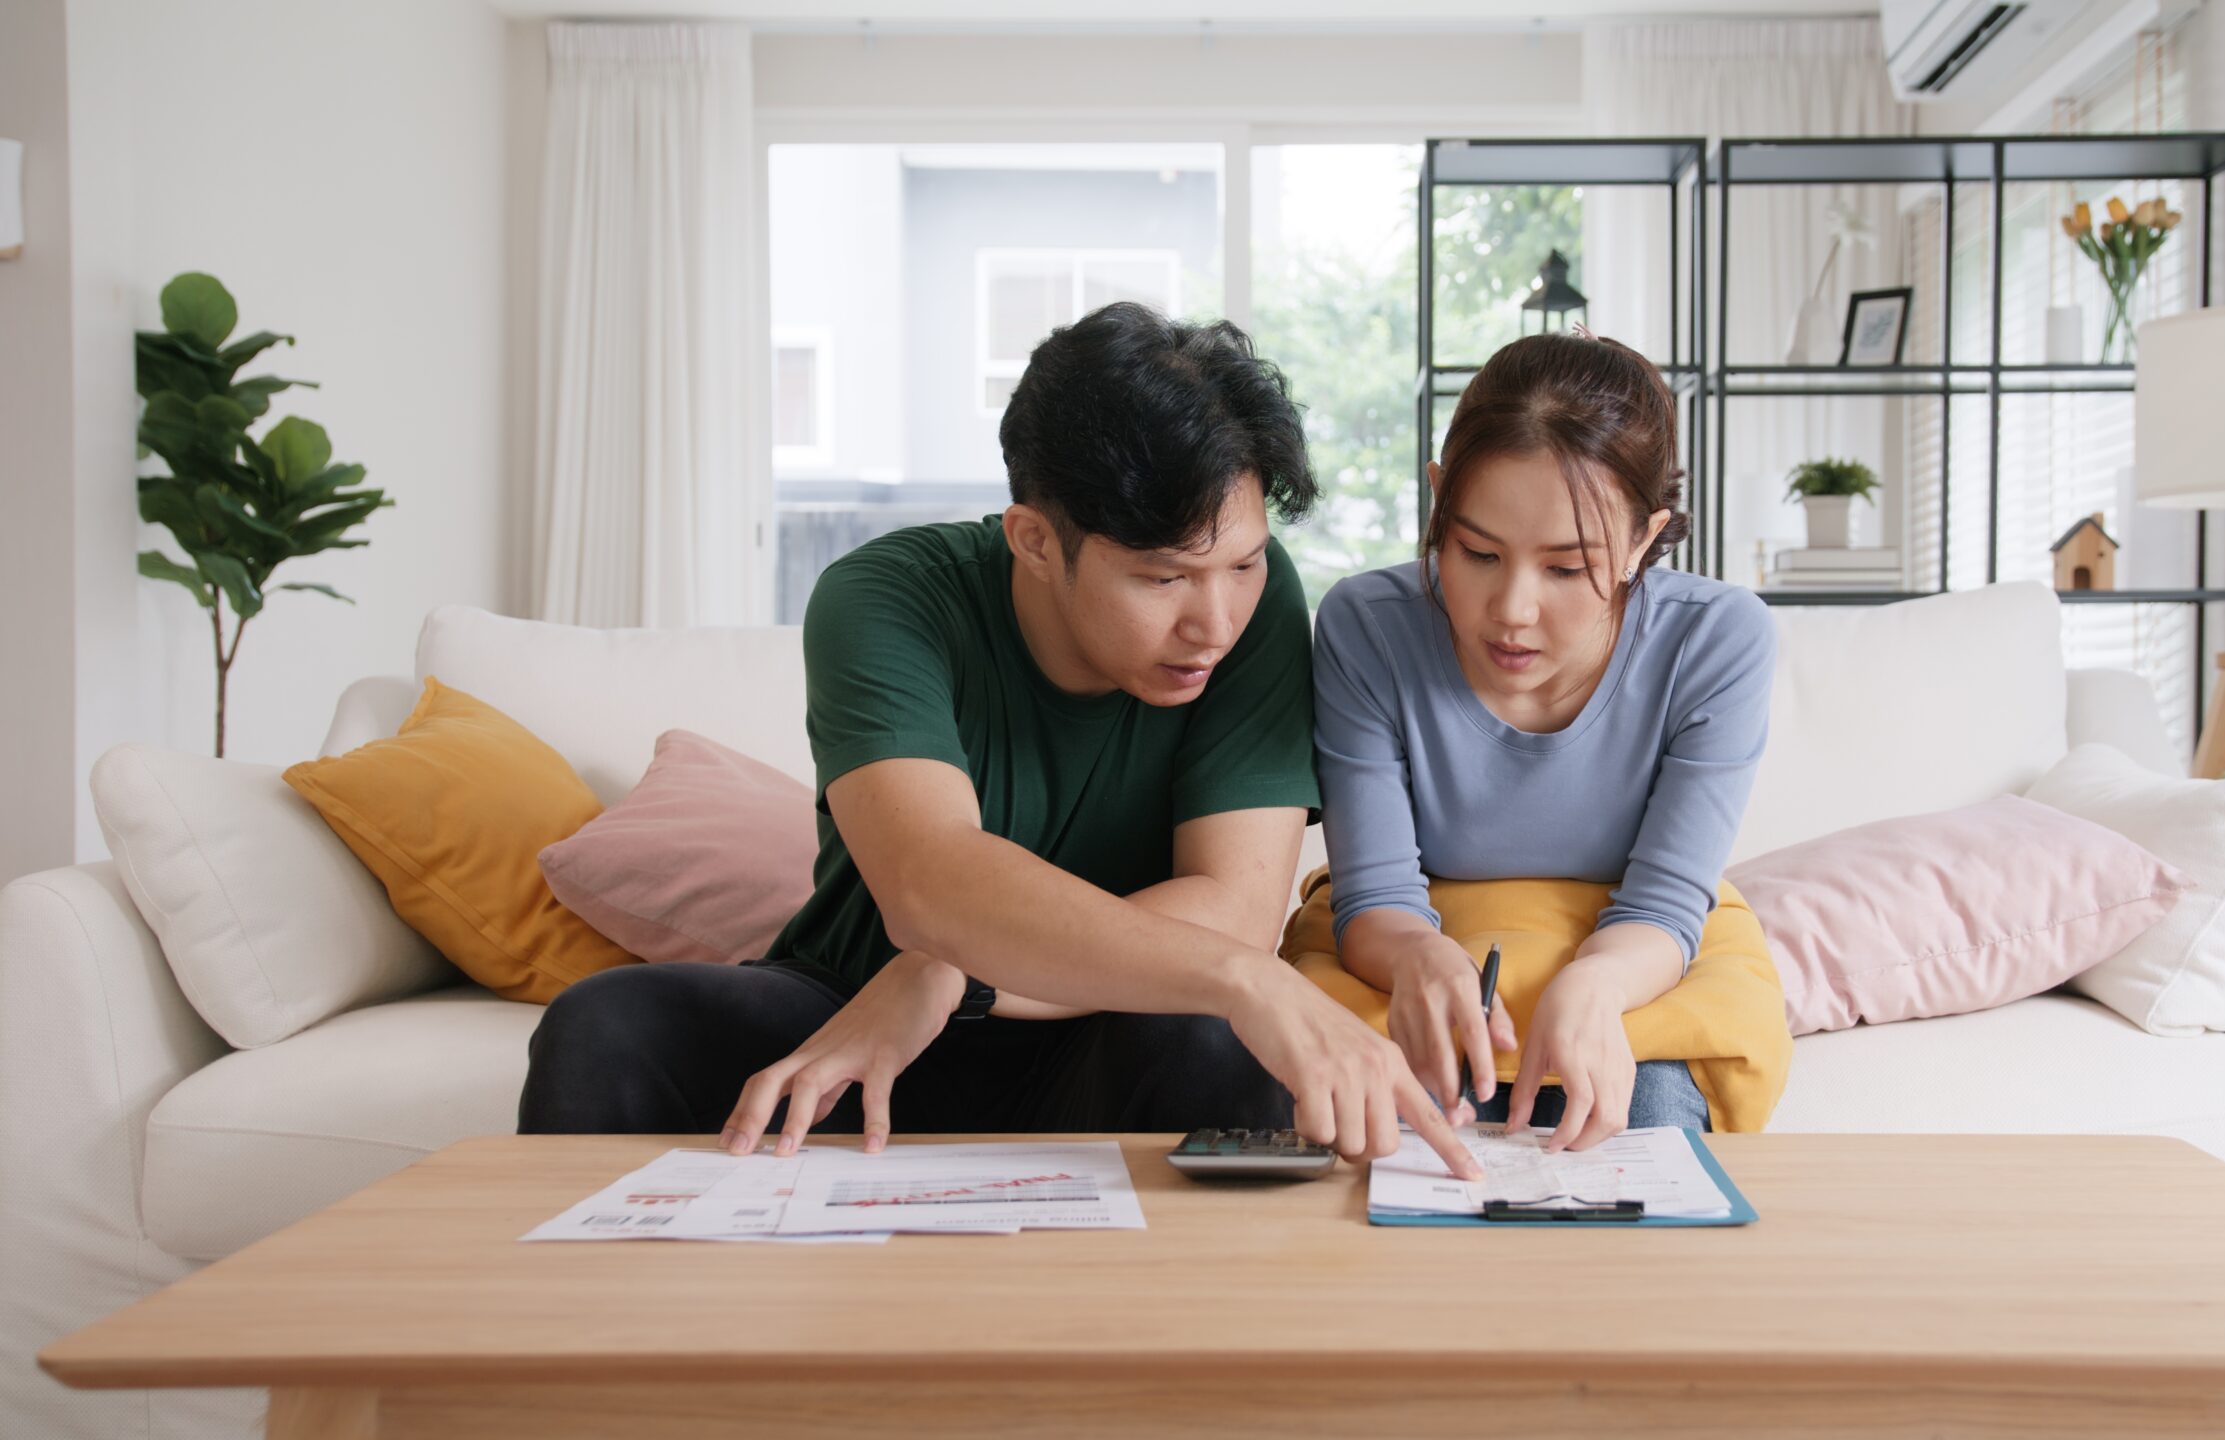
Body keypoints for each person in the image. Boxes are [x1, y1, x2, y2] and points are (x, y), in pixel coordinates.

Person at [519, 302, 1480, 1180]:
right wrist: (1241, 980)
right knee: (604, 1026)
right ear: (1033, 541)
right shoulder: (885, 598)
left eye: (1242, 564)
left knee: (1209, 1041)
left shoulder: (1255, 610)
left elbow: (1231, 906)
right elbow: (932, 883)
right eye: (1163, 579)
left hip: (1093, 1022)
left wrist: (954, 975)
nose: (1214, 622)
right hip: (855, 1008)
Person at [1286, 328, 1789, 1153]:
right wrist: (1419, 959)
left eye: (1565, 568)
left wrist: (1596, 982)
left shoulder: (1717, 639)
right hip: (1413, 949)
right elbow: (1375, 895)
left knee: (1640, 1135)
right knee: (1382, 1144)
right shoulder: (1366, 626)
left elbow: (1665, 905)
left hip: (1638, 958)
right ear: (1438, 501)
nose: (1512, 610)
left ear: (1641, 540)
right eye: (1477, 552)